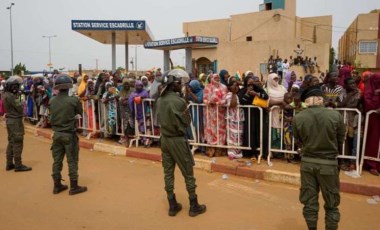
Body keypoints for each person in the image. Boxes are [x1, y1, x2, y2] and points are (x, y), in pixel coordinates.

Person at [292, 86, 345, 230]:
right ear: (322, 99)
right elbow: (340, 140)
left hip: (307, 164)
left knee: (310, 203)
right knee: (332, 204)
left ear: (306, 101)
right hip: (329, 164)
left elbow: (298, 140)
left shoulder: (298, 117)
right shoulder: (335, 116)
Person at [156, 71, 206, 217]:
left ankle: (172, 204)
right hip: (177, 140)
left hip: (165, 139)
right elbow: (186, 121)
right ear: (173, 85)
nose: (181, 85)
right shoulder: (179, 101)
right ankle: (193, 205)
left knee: (168, 173)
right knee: (188, 173)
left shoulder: (160, 100)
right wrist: (183, 102)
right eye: (179, 83)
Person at [49, 74, 87, 195]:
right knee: (72, 160)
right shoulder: (73, 100)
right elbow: (79, 113)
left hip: (57, 134)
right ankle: (74, 186)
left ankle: (57, 185)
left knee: (57, 160)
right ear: (69, 86)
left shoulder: (52, 100)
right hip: (69, 134)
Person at [3, 76, 32, 172]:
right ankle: (18, 165)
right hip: (15, 121)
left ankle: (9, 163)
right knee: (18, 143)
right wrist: (22, 99)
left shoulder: (5, 94)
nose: (18, 88)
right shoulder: (12, 96)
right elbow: (20, 108)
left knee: (11, 142)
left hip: (10, 121)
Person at [363, 72, 380, 176]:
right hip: (374, 118)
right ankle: (372, 164)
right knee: (373, 141)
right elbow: (367, 101)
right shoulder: (369, 90)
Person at [225, 80, 244, 160]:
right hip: (232, 119)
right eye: (234, 85)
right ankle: (232, 153)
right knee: (232, 137)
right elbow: (232, 104)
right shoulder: (229, 95)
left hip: (239, 119)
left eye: (237, 85)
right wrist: (233, 93)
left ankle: (238, 152)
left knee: (239, 136)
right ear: (229, 87)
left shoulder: (237, 95)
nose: (236, 87)